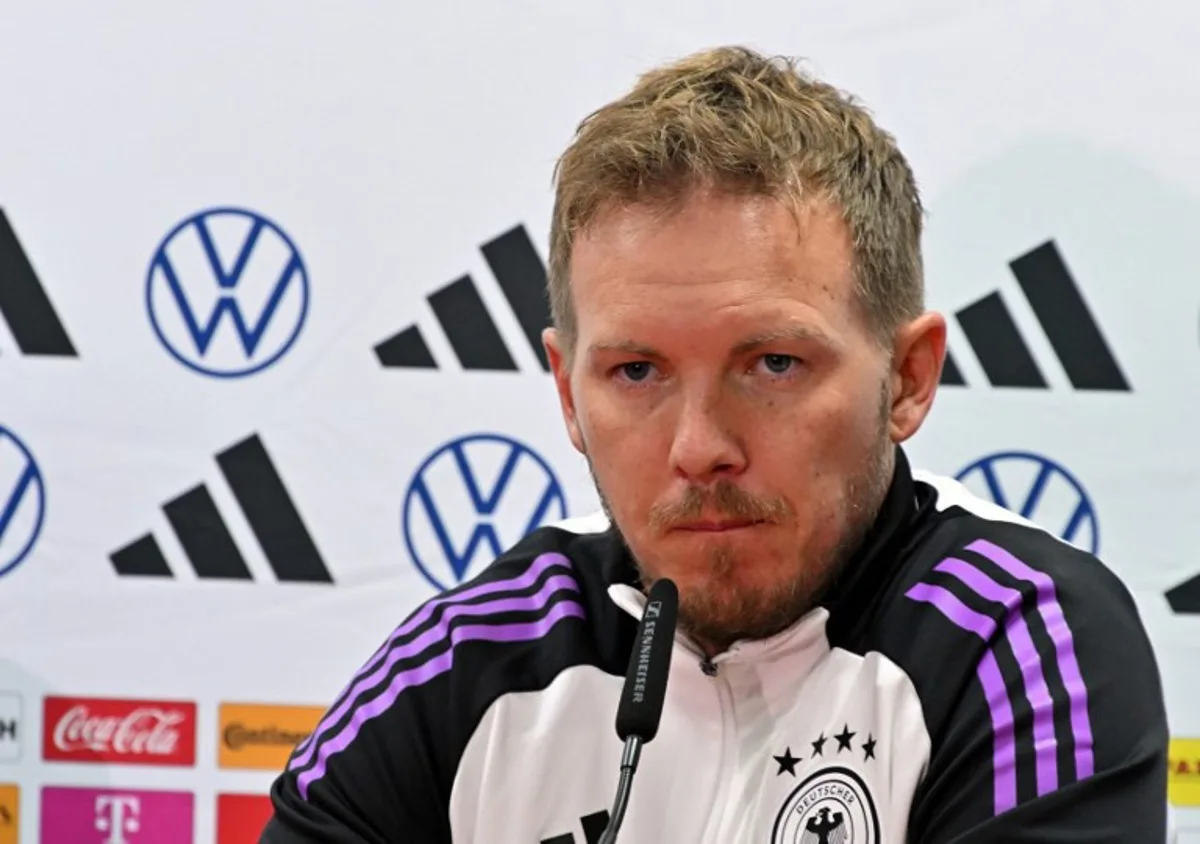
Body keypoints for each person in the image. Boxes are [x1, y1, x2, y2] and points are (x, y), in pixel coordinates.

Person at [261, 46, 1172, 843]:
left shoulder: (1018, 642)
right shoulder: (473, 657)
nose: (699, 449)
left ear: (908, 378)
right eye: (636, 373)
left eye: (773, 364)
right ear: (566, 394)